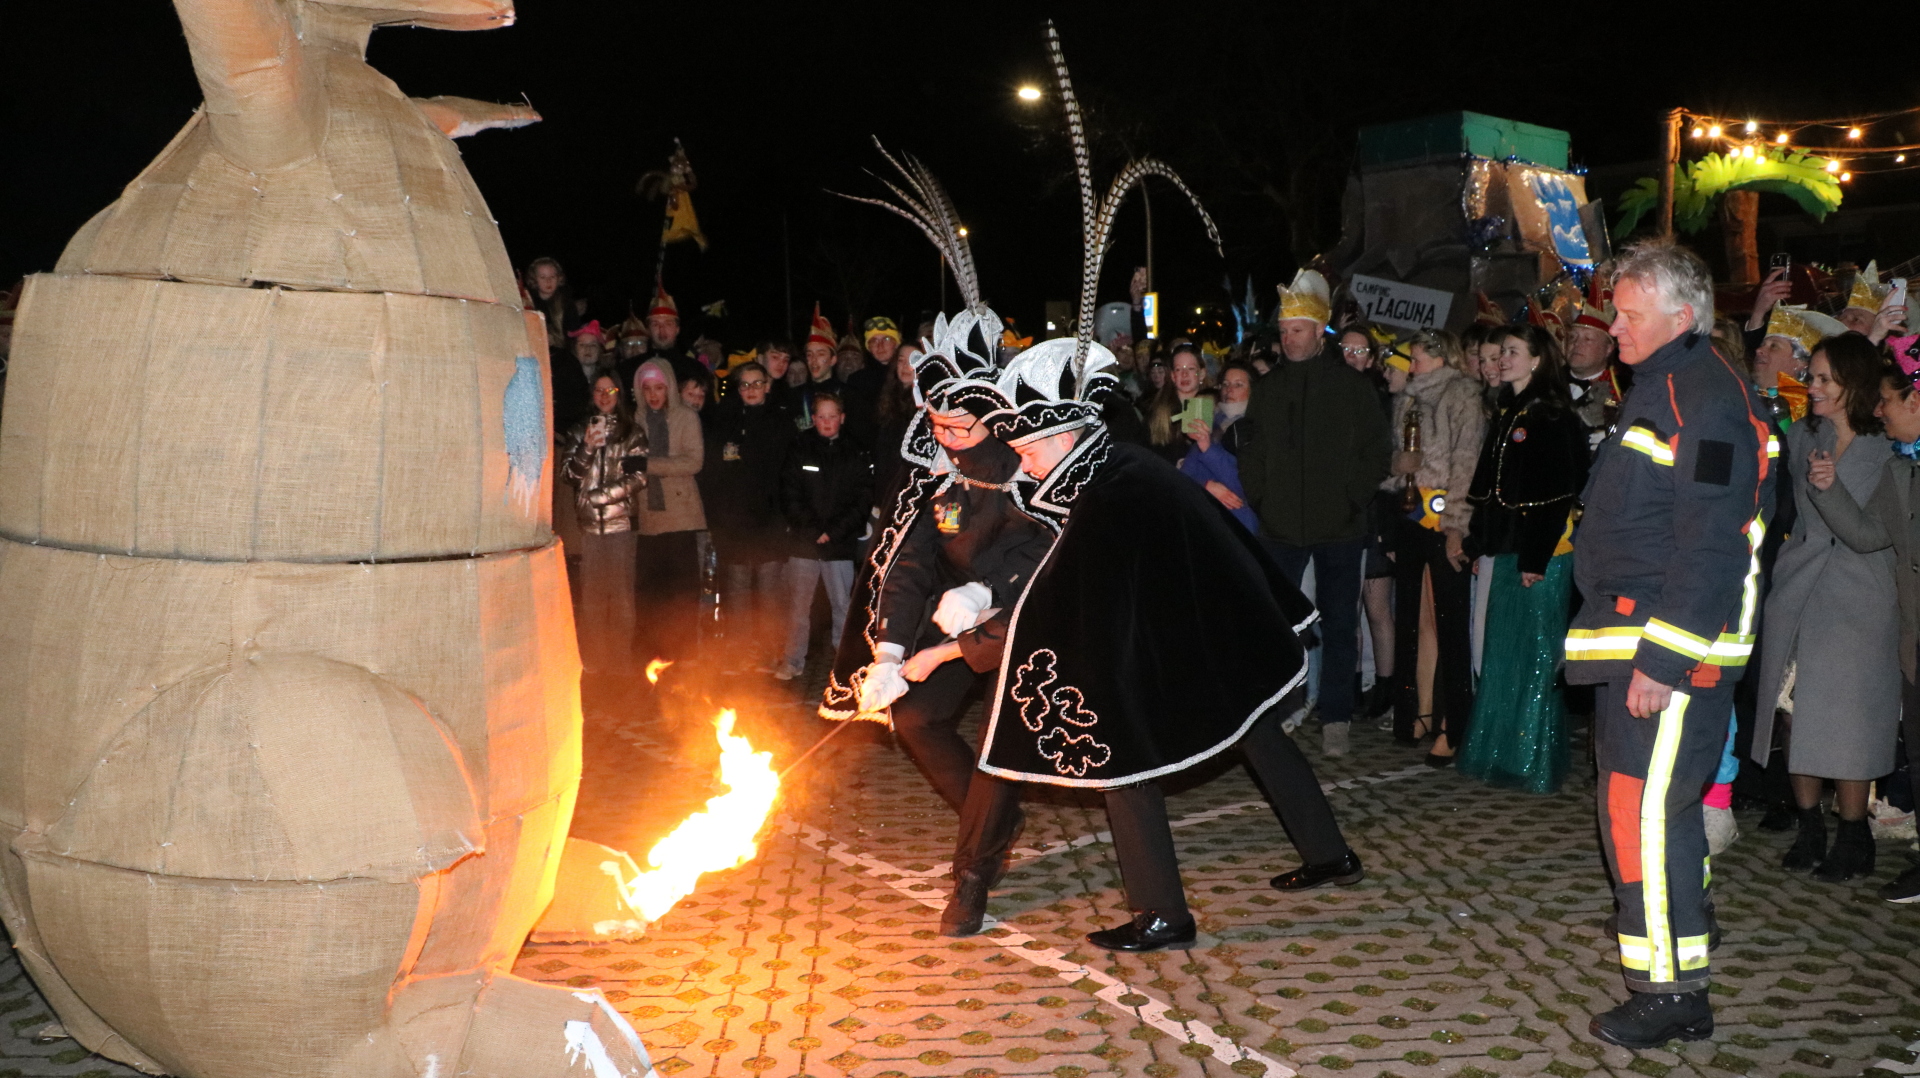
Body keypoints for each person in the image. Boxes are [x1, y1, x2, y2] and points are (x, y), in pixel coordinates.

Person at [933, 335, 1363, 950]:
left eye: (1028, 452)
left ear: (1062, 439)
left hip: (1196, 626)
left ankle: (1164, 915)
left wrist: (959, 648)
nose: (1025, 467)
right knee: (1256, 730)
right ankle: (1330, 855)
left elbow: (1060, 598)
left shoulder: (1109, 490)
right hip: (1207, 623)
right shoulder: (1118, 465)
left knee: (1120, 749)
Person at [1563, 242, 1774, 1049]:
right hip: (1644, 645)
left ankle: (1666, 994)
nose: (1612, 326)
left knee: (1644, 816)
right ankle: (1680, 979)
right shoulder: (1667, 385)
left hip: (1668, 656)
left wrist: (1663, 661)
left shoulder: (1705, 400)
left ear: (1682, 317)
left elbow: (1713, 545)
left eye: (1628, 314)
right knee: (1656, 816)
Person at [1749, 333, 1899, 882]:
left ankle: (1854, 835)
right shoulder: (1802, 436)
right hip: (1799, 588)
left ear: (1853, 384)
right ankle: (1809, 826)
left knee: (1851, 718)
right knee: (1794, 712)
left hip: (1860, 596)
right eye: (1810, 376)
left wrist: (1831, 487)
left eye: (1822, 379)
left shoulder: (1888, 445)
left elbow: (1870, 533)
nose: (1810, 387)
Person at [1238, 269, 1392, 756]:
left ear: (1318, 332)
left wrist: (1351, 498)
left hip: (1340, 528)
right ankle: (1279, 709)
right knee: (1279, 624)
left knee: (1341, 623)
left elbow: (1377, 450)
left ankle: (1336, 717)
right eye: (1284, 331)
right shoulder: (1268, 389)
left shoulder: (1351, 387)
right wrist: (1263, 498)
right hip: (1279, 529)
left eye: (1298, 330)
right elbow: (1251, 450)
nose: (1289, 339)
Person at [1804, 351, 1920, 903]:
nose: (1880, 409)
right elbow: (1871, 535)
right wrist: (1829, 489)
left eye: (1889, 400)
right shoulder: (1902, 468)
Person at [1458, 324, 1588, 793]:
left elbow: (1556, 495)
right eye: (1501, 353)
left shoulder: (1551, 415)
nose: (1502, 360)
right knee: (1503, 655)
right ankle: (1501, 755)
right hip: (1508, 551)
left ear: (1536, 359)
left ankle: (1533, 761)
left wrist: (1535, 558)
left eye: (1513, 352)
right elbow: (1491, 495)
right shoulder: (1509, 410)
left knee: (1535, 658)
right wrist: (1480, 544)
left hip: (1540, 556)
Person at [1383, 329, 1485, 764]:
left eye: (1418, 358)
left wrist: (1456, 525)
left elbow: (1467, 462)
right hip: (1411, 517)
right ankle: (1419, 710)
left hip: (1445, 518)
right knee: (1416, 618)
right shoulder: (1405, 399)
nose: (1412, 366)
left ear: (1441, 358)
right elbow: (1397, 459)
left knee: (1450, 623)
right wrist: (1397, 467)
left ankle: (1453, 723)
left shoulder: (1463, 394)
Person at [699, 362, 795, 669]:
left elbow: (790, 475)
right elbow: (713, 475)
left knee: (769, 591)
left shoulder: (782, 422)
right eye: (745, 385)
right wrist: (717, 519)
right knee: (737, 589)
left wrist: (787, 517)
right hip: (733, 523)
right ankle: (739, 651)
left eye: (757, 384)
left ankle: (769, 652)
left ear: (767, 386)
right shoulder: (724, 422)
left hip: (771, 521)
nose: (751, 390)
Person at [560, 373, 649, 685]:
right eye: (598, 390)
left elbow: (639, 477)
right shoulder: (578, 431)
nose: (604, 396)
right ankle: (595, 661)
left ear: (618, 393)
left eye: (610, 389)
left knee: (622, 597)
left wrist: (602, 496)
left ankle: (621, 660)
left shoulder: (632, 433)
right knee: (592, 599)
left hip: (620, 524)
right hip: (589, 527)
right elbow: (569, 476)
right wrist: (587, 446)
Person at [776, 394, 871, 680]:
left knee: (843, 606)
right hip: (804, 543)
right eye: (821, 416)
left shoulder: (856, 451)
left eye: (832, 416)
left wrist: (834, 532)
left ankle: (843, 666)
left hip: (839, 545)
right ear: (813, 419)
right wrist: (813, 530)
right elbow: (789, 493)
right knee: (797, 607)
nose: (827, 422)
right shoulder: (799, 447)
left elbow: (862, 499)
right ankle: (792, 661)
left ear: (842, 418)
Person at [630, 358, 707, 662]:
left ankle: (684, 657)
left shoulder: (686, 417)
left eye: (659, 387)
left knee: (682, 595)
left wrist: (647, 465)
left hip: (681, 519)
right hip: (649, 519)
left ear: (670, 388)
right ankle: (651, 658)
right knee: (650, 595)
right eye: (647, 388)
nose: (653, 394)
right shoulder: (635, 420)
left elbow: (693, 461)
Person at [1179, 361, 1259, 533]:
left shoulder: (1259, 428)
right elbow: (1183, 480)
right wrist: (1205, 486)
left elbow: (1249, 487)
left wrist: (1209, 450)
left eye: (1238, 385)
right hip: (1205, 524)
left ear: (1253, 390)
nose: (1229, 390)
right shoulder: (1211, 426)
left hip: (1240, 527)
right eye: (1225, 384)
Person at [1144, 343, 1212, 465]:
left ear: (1201, 374)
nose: (1184, 374)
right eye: (1178, 369)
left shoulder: (1215, 408)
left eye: (1190, 368)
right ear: (1173, 376)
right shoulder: (1157, 413)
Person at [843, 315, 902, 448]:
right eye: (874, 340)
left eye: (886, 339)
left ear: (897, 343)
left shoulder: (907, 376)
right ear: (868, 347)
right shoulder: (857, 381)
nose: (880, 345)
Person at [644, 281, 704, 385]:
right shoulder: (631, 369)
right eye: (655, 324)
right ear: (648, 330)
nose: (662, 330)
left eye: (668, 324)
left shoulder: (695, 370)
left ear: (677, 329)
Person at [798, 305, 846, 430]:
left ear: (833, 360)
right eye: (809, 354)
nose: (814, 360)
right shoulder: (795, 396)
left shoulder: (848, 396)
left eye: (820, 354)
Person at [524, 256, 580, 358]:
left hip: (561, 354)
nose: (548, 281)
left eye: (552, 277)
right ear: (534, 279)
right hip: (532, 352)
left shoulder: (567, 304)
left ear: (559, 278)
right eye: (543, 277)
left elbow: (573, 334)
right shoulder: (527, 302)